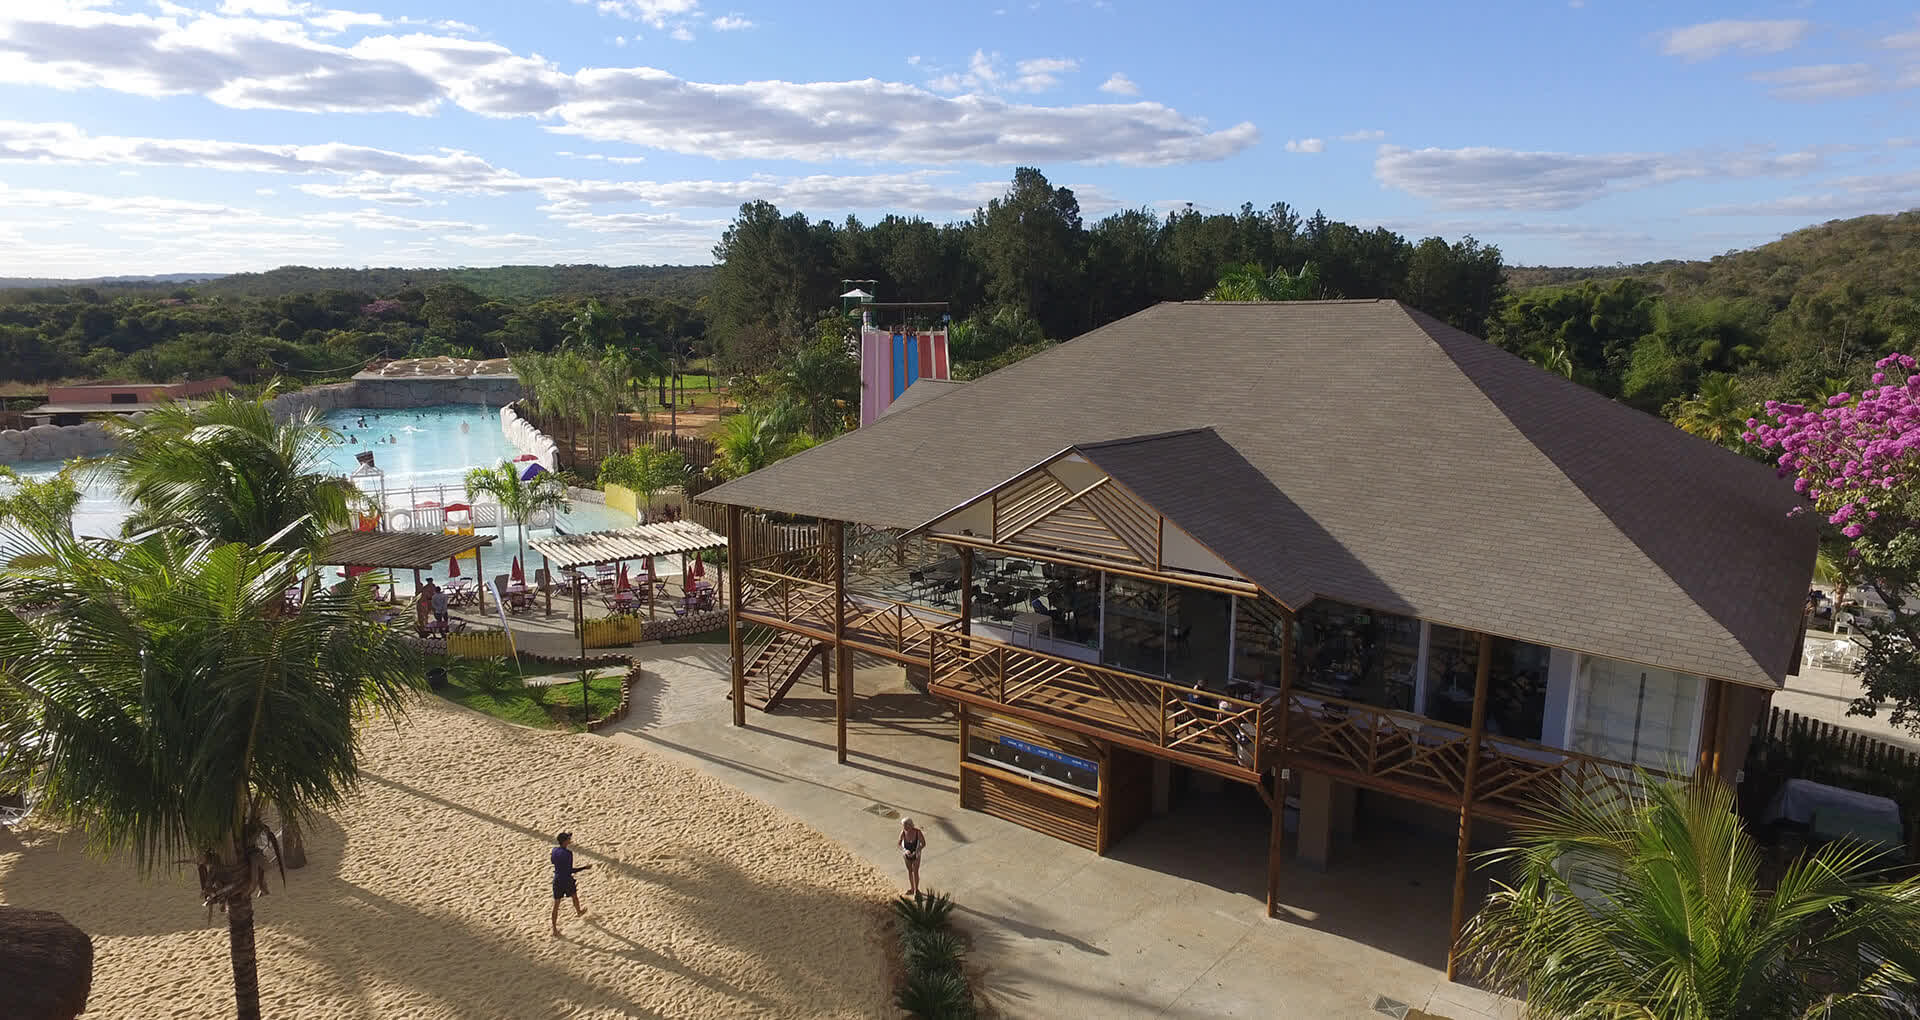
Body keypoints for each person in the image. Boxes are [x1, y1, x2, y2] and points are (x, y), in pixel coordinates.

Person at [550, 831, 590, 935]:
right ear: (565, 841)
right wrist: (584, 868)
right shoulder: (568, 854)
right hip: (566, 880)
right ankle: (579, 912)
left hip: (557, 879)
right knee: (574, 896)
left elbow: (553, 862)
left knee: (556, 905)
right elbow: (570, 870)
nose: (570, 840)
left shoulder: (554, 850)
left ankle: (554, 929)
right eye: (568, 838)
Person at [898, 817, 926, 895]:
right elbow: (899, 844)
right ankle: (912, 888)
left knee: (915, 872)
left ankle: (916, 890)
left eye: (905, 826)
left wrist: (917, 851)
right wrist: (905, 850)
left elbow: (923, 844)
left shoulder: (918, 832)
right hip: (906, 855)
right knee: (910, 871)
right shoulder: (903, 832)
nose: (904, 828)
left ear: (910, 825)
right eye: (903, 826)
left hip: (916, 854)